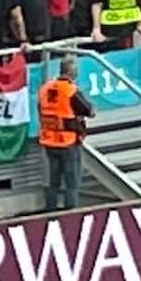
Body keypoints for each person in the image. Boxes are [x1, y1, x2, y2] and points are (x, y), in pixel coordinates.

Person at [37, 56, 95, 211]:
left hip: (49, 140)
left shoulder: (45, 88)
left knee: (52, 180)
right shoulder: (70, 90)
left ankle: (50, 210)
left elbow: (40, 109)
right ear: (73, 73)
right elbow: (88, 110)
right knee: (72, 182)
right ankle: (71, 214)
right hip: (68, 141)